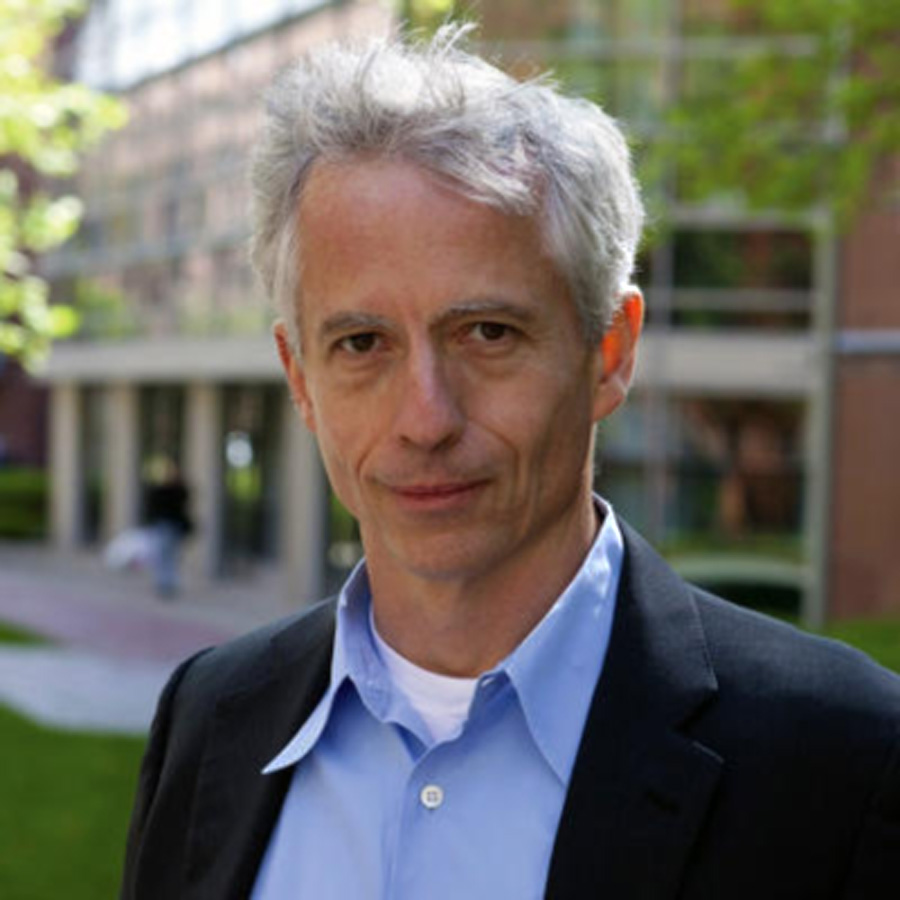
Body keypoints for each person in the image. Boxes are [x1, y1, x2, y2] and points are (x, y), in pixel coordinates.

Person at [120, 27, 899, 899]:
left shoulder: (846, 759)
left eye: (487, 333)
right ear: (300, 377)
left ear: (610, 351)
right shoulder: (210, 715)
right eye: (363, 342)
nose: (426, 419)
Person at [143, 458, 192, 597]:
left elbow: (184, 503)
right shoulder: (161, 489)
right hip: (162, 525)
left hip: (173, 526)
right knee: (162, 556)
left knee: (171, 557)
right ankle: (163, 583)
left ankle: (168, 583)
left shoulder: (178, 489)